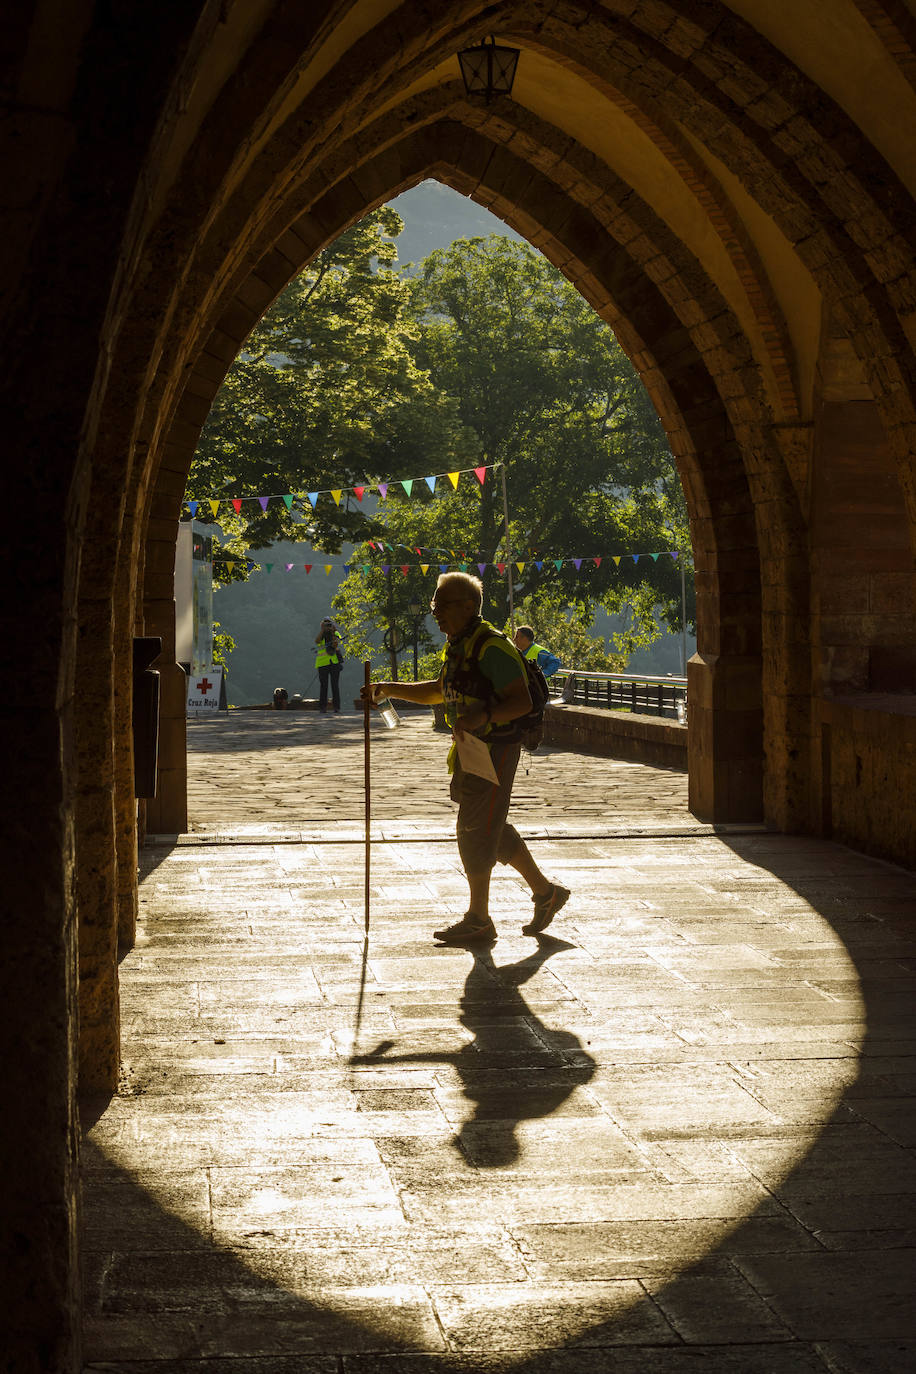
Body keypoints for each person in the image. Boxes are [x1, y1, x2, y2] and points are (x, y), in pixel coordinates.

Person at [360, 571, 570, 944]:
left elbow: (520, 700)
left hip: (495, 750)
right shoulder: (461, 646)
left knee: (474, 829)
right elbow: (441, 691)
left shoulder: (491, 646)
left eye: (442, 605)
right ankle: (545, 892)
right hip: (472, 752)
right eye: (434, 606)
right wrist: (388, 688)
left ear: (469, 607)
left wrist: (484, 716)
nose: (435, 613)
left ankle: (479, 918)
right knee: (490, 824)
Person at [314, 616, 343, 713]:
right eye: (326, 624)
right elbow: (317, 641)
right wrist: (322, 630)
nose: (328, 626)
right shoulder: (321, 634)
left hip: (334, 662)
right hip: (322, 663)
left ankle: (336, 707)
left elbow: (335, 644)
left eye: (329, 624)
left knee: (335, 685)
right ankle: (323, 707)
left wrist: (333, 632)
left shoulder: (336, 632)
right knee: (324, 685)